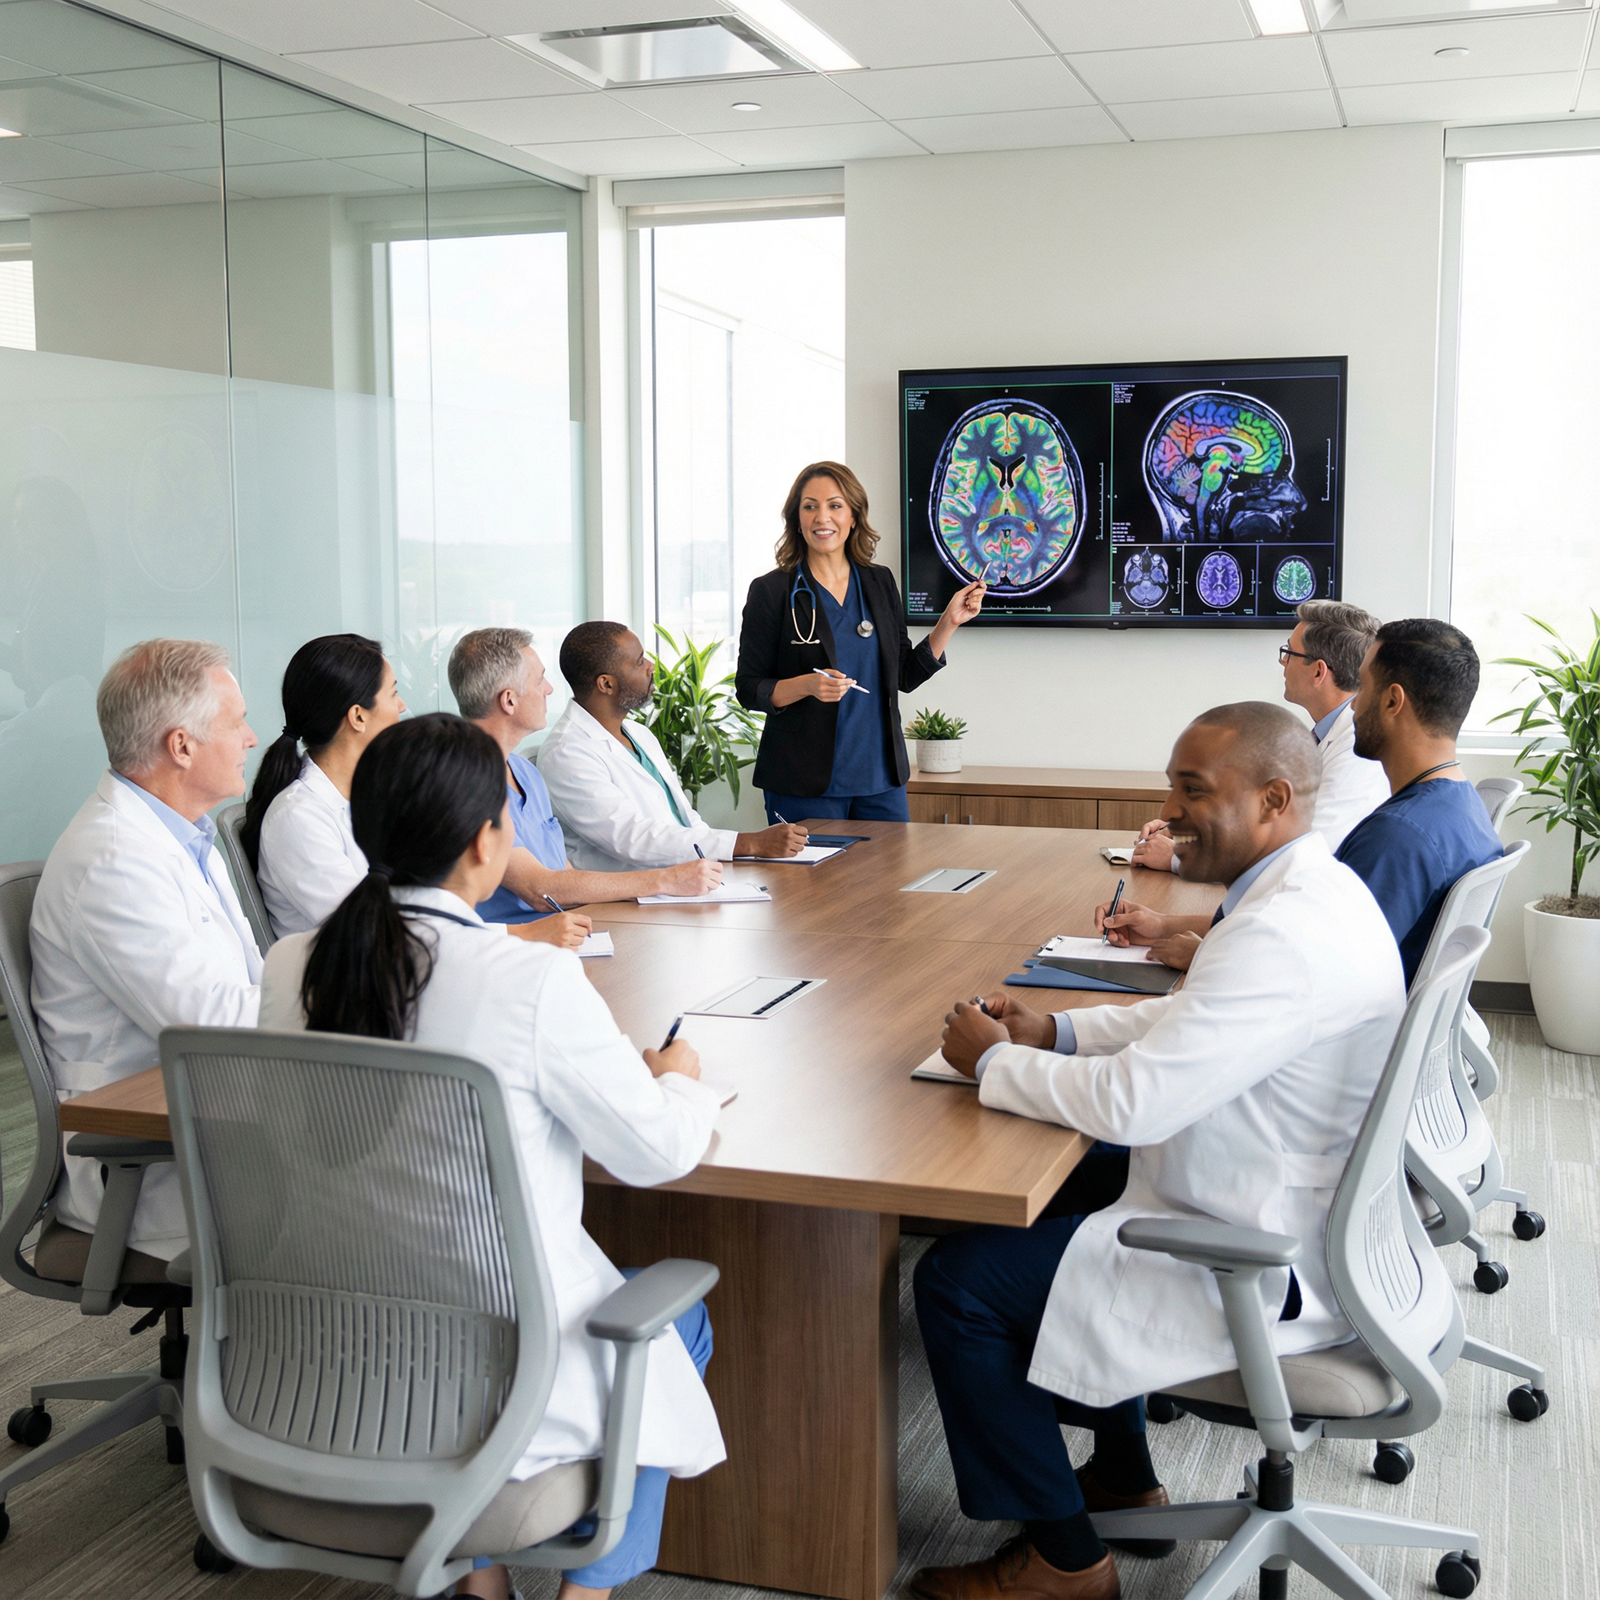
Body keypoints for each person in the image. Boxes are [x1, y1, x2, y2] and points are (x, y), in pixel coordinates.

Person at [911, 703, 1404, 1600]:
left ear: (1274, 799)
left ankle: (1064, 1561)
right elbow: (1189, 1023)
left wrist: (997, 1064)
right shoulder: (1306, 890)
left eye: (1192, 790)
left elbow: (1137, 1103)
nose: (1169, 809)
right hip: (1274, 1190)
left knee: (957, 1285)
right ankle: (1122, 1470)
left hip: (1256, 1248)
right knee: (1066, 1195)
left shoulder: (1281, 934)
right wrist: (1054, 1030)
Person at [258, 713, 726, 1600]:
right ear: (486, 842)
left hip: (324, 1360)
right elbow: (657, 1154)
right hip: (499, 1375)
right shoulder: (530, 980)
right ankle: (585, 1594)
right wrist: (679, 1077)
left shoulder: (292, 965)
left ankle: (480, 1586)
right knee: (673, 1318)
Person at [29, 639, 263, 1262]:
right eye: (237, 721)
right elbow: (215, 1024)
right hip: (146, 1159)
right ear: (181, 745)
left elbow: (248, 985)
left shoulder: (185, 833)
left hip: (212, 1110)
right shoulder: (113, 861)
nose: (252, 737)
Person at [735, 461, 984, 823]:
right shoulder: (772, 592)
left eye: (835, 505)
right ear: (797, 518)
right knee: (810, 883)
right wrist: (807, 685)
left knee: (890, 881)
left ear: (853, 516)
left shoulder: (879, 582)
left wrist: (948, 621)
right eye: (810, 506)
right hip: (804, 784)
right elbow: (749, 688)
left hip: (880, 782)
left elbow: (904, 676)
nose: (823, 517)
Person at [450, 628, 723, 926]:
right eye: (540, 679)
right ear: (509, 701)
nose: (550, 689)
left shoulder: (525, 771)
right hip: (511, 946)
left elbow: (565, 876)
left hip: (565, 929)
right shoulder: (461, 782)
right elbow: (540, 889)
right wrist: (665, 881)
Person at [1131, 599, 1386, 870]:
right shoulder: (1327, 734)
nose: (1283, 662)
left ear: (1318, 671)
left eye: (1290, 653)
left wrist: (1178, 858)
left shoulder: (1357, 750)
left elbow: (1301, 853)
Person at [539, 621, 806, 871]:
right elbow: (631, 838)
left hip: (685, 880)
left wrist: (721, 861)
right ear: (606, 683)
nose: (651, 666)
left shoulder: (638, 733)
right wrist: (747, 843)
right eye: (639, 661)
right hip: (631, 900)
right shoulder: (566, 753)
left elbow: (684, 818)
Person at [1336, 618, 1502, 986]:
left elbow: (1327, 970)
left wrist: (1212, 950)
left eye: (1361, 686)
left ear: (1393, 700)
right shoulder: (1465, 806)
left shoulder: (1398, 838)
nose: (1352, 706)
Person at [243, 634, 406, 938]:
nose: (402, 706)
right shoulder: (297, 818)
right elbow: (373, 932)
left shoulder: (372, 793)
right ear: (358, 716)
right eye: (393, 694)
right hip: (355, 979)